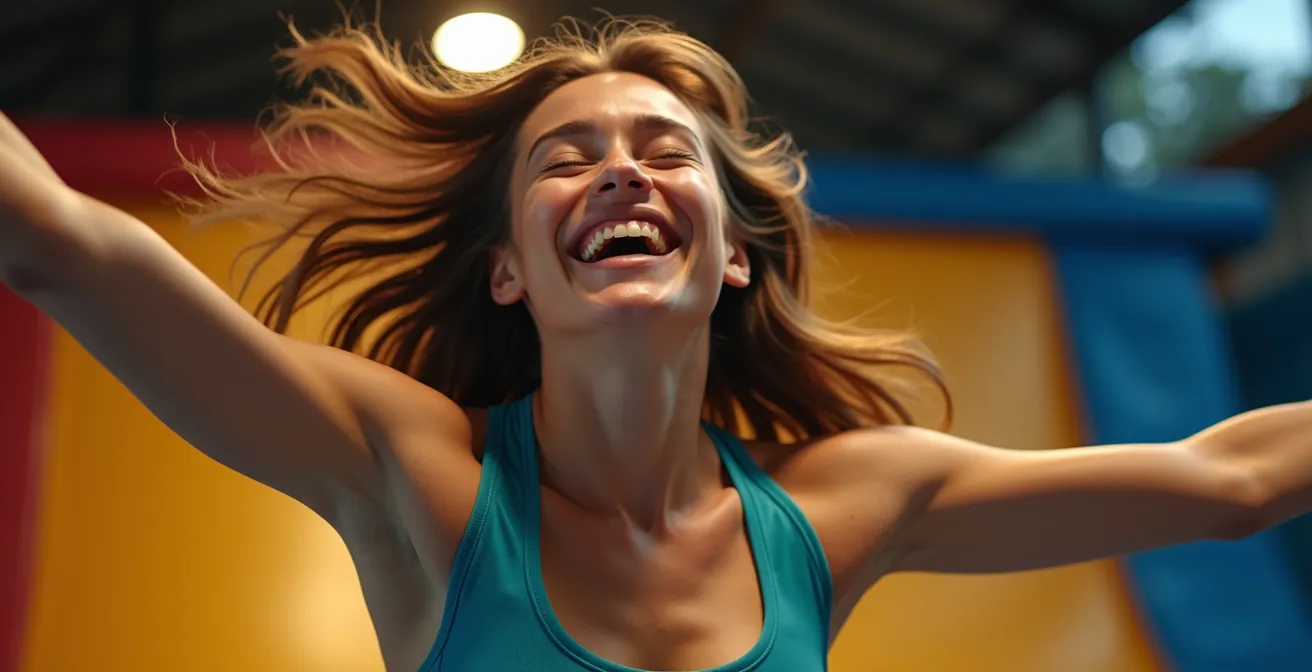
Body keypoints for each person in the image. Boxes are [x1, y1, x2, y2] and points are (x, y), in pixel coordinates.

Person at [1, 16, 1309, 672]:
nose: (620, 175)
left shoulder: (846, 505)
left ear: (730, 251)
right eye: (568, 161)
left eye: (661, 153)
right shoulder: (419, 476)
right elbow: (61, 242)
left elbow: (1231, 480)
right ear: (508, 268)